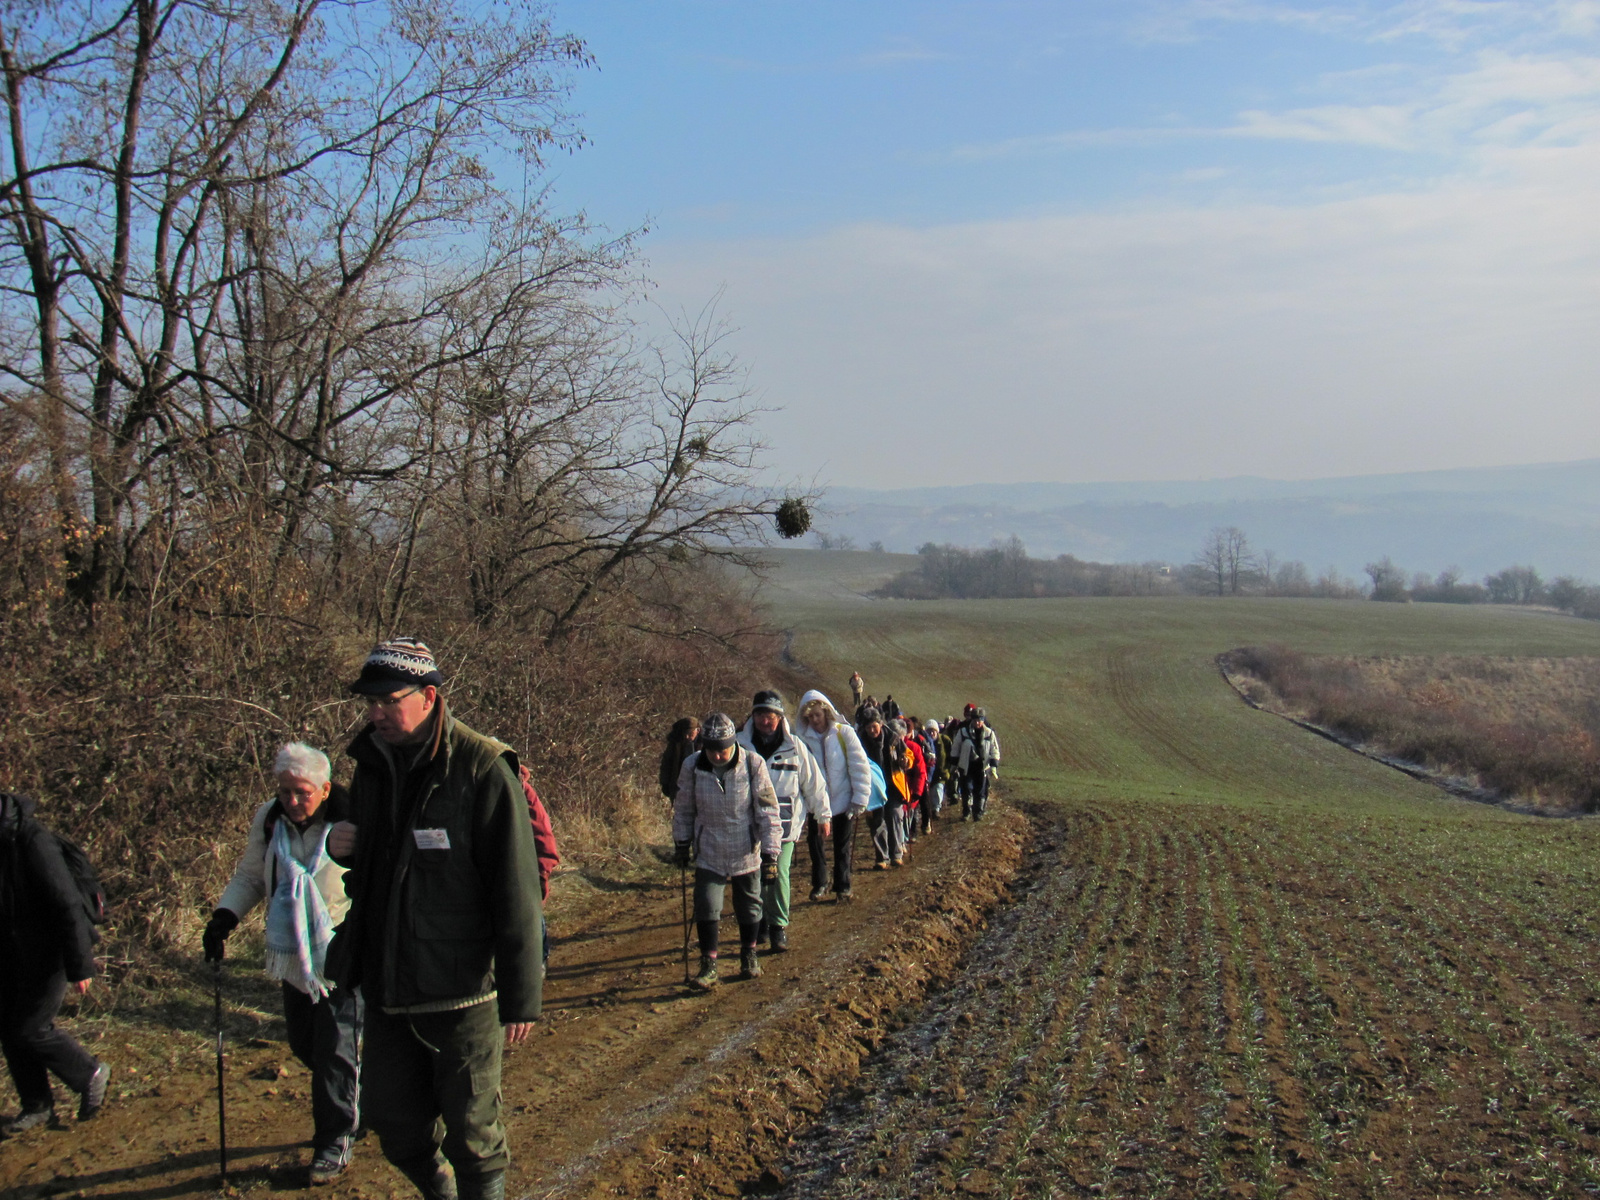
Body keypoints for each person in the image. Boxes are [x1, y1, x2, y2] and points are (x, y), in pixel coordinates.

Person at [325, 639, 543, 1200]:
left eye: (386, 701)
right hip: (388, 981)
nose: (374, 713)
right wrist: (346, 846)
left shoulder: (482, 768)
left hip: (463, 991)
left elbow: (516, 891)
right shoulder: (372, 763)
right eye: (368, 702)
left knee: (473, 1138)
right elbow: (377, 874)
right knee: (392, 1125)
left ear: (427, 697)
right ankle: (439, 1192)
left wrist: (522, 996)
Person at [203, 743, 363, 1184]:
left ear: (326, 788)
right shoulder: (269, 819)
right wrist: (224, 917)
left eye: (302, 791)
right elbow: (253, 875)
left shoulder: (350, 822)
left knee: (335, 1048)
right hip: (293, 950)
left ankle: (334, 1142)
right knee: (303, 1044)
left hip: (341, 947)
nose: (292, 800)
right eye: (285, 790)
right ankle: (356, 1101)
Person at [0, 792, 109, 1135]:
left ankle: (89, 1073)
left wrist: (80, 966)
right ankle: (37, 1106)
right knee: (9, 1027)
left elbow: (67, 906)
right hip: (16, 952)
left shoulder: (34, 840)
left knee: (30, 1028)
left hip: (52, 952)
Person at [673, 713, 781, 989]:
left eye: (723, 750)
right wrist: (682, 842)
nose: (718, 756)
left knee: (749, 906)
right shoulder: (692, 765)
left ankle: (749, 954)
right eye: (712, 750)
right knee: (707, 905)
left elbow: (768, 810)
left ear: (733, 743)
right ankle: (708, 965)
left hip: (745, 849)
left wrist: (770, 853)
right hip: (709, 848)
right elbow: (684, 807)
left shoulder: (753, 764)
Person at [737, 691, 828, 951]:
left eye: (771, 716)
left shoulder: (795, 747)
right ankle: (760, 923)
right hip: (749, 824)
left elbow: (814, 783)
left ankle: (778, 927)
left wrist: (822, 814)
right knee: (753, 877)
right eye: (760, 715)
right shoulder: (740, 747)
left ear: (780, 718)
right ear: (752, 717)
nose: (766, 722)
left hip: (785, 825)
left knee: (777, 874)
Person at [796, 691, 872, 903]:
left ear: (826, 712)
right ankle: (820, 883)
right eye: (810, 717)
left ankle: (843, 885)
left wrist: (859, 798)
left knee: (842, 845)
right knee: (815, 845)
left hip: (842, 799)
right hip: (816, 803)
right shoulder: (802, 740)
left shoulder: (844, 733)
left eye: (817, 715)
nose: (814, 720)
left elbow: (858, 766)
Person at [856, 707, 911, 868]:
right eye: (868, 728)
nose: (872, 730)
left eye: (874, 726)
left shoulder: (893, 738)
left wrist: (905, 761)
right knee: (876, 820)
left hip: (893, 784)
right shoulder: (860, 742)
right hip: (872, 787)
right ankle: (882, 857)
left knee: (894, 815)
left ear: (880, 723)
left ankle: (896, 854)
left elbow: (907, 754)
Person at [951, 707, 1002, 821]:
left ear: (983, 720)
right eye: (975, 720)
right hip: (967, 766)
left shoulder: (989, 733)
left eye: (980, 720)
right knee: (967, 789)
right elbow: (956, 748)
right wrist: (954, 764)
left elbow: (994, 750)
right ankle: (966, 811)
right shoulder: (963, 732)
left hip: (981, 767)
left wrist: (993, 765)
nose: (977, 722)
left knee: (980, 791)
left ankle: (978, 812)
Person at [658, 717, 700, 805]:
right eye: (684, 733)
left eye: (689, 733)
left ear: (698, 730)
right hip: (679, 785)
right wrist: (665, 783)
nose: (686, 736)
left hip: (699, 788)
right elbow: (666, 764)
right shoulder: (675, 744)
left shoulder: (705, 746)